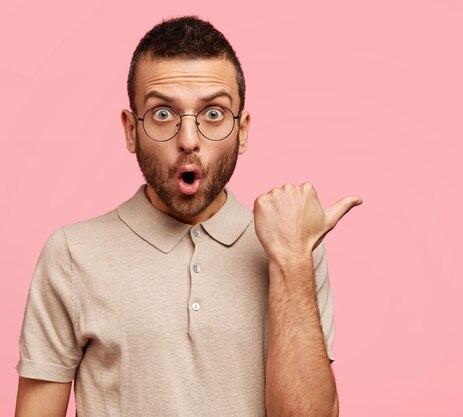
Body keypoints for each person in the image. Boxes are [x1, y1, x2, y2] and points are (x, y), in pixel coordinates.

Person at [14, 16, 362, 416]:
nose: (189, 140)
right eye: (163, 114)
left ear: (242, 130)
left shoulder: (294, 249)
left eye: (213, 113)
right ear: (131, 130)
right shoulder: (72, 255)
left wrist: (291, 259)